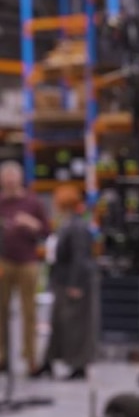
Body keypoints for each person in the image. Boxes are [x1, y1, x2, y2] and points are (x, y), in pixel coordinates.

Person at [31, 184, 94, 380]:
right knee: (58, 323)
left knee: (74, 325)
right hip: (61, 281)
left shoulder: (77, 227)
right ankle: (48, 363)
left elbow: (80, 258)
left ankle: (78, 365)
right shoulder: (66, 224)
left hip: (72, 283)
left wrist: (75, 285)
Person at [0, 160, 50, 376]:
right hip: (3, 261)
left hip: (28, 262)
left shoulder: (32, 202)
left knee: (29, 312)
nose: (10, 183)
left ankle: (30, 359)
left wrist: (32, 223)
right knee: (1, 311)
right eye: (6, 180)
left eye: (13, 179)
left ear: (19, 180)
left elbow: (46, 231)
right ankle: (1, 356)